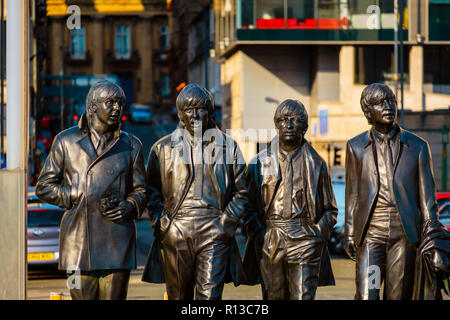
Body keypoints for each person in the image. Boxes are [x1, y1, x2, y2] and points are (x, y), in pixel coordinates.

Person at [36, 80, 147, 300]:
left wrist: (131, 205)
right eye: (111, 103)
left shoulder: (132, 145)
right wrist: (73, 194)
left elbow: (142, 189)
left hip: (117, 243)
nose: (117, 109)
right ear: (93, 106)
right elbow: (44, 186)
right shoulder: (65, 141)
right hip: (76, 246)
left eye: (120, 104)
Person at [142, 84, 253, 300]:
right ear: (180, 113)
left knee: (209, 297)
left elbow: (242, 191)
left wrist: (226, 224)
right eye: (188, 109)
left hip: (214, 228)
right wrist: (161, 223)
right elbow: (150, 191)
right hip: (177, 228)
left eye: (200, 108)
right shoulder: (162, 149)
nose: (194, 115)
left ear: (210, 111)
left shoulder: (228, 147)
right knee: (179, 297)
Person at [344, 83, 444, 300]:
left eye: (391, 101)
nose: (388, 106)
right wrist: (350, 232)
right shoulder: (356, 146)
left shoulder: (418, 146)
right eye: (381, 103)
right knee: (367, 294)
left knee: (398, 295)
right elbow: (352, 194)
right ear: (368, 111)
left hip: (404, 234)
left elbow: (428, 201)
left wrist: (432, 237)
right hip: (371, 234)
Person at [244, 99, 337, 300]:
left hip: (305, 237)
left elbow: (331, 209)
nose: (288, 125)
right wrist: (260, 235)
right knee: (273, 296)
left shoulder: (317, 163)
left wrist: (317, 234)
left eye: (294, 120)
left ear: (303, 127)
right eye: (283, 120)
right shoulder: (258, 163)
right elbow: (247, 206)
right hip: (271, 237)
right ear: (276, 124)